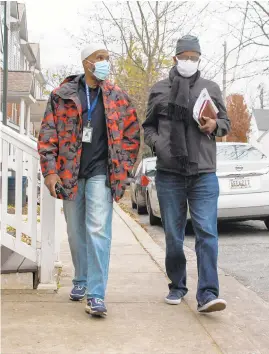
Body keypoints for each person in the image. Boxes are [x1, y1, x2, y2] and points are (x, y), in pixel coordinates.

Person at [38, 44, 140, 317]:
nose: (105, 62)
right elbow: (48, 134)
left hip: (101, 174)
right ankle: (81, 280)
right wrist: (50, 170)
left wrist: (124, 166)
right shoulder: (62, 96)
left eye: (107, 58)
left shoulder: (117, 96)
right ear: (86, 63)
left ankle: (96, 294)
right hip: (70, 173)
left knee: (98, 230)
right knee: (75, 232)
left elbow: (132, 134)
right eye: (100, 58)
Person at [143, 35, 230, 313]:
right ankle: (177, 285)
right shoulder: (159, 89)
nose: (189, 61)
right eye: (185, 56)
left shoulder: (211, 88)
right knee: (174, 236)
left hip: (203, 173)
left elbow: (226, 123)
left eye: (194, 57)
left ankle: (207, 294)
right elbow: (148, 127)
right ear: (175, 58)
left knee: (207, 233)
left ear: (199, 59)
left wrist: (214, 124)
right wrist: (159, 145)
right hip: (170, 174)